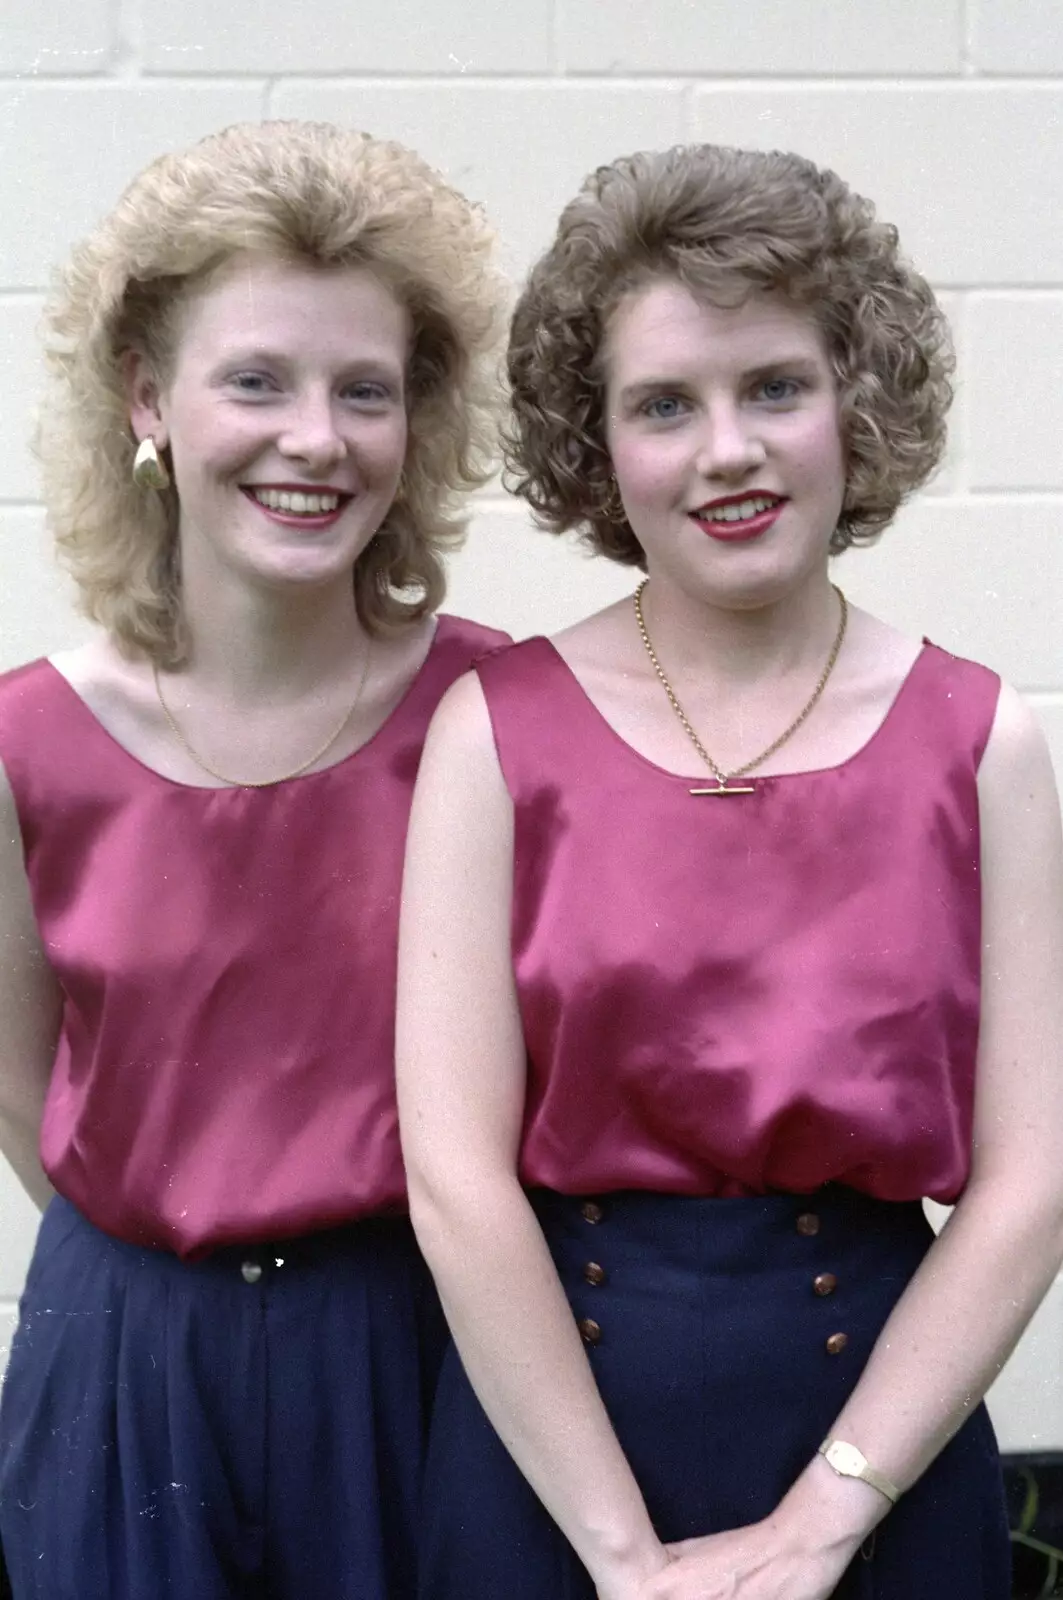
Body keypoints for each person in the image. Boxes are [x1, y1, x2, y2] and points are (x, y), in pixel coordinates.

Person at [396, 142, 1063, 1599]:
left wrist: (823, 1524)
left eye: (772, 386)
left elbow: (1031, 1179)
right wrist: (621, 1561)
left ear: (854, 399)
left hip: (876, 1455)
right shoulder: (493, 733)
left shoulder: (981, 739)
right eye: (662, 406)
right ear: (598, 443)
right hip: (546, 1467)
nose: (727, 452)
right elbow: (451, 1177)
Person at [0, 119, 509, 1600]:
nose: (316, 438)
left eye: (365, 390)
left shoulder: (499, 718)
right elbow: (23, 1083)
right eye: (256, 381)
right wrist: (180, 1277)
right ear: (147, 398)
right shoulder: (27, 743)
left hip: (419, 1342)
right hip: (125, 1359)